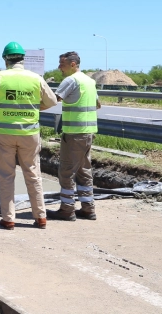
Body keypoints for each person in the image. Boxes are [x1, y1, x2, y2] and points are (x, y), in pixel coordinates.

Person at [0, 41, 58, 230]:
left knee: (6, 175)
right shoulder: (35, 78)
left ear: (6, 59)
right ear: (23, 58)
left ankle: (8, 218)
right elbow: (52, 101)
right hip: (29, 133)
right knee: (33, 174)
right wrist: (35, 106)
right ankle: (41, 217)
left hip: (3, 134)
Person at [47, 51, 101, 221]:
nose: (59, 67)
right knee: (84, 170)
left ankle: (67, 209)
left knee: (66, 171)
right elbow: (98, 105)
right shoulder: (90, 81)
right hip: (88, 133)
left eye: (61, 64)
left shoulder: (71, 80)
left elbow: (53, 99)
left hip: (74, 134)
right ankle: (88, 208)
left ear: (72, 64)